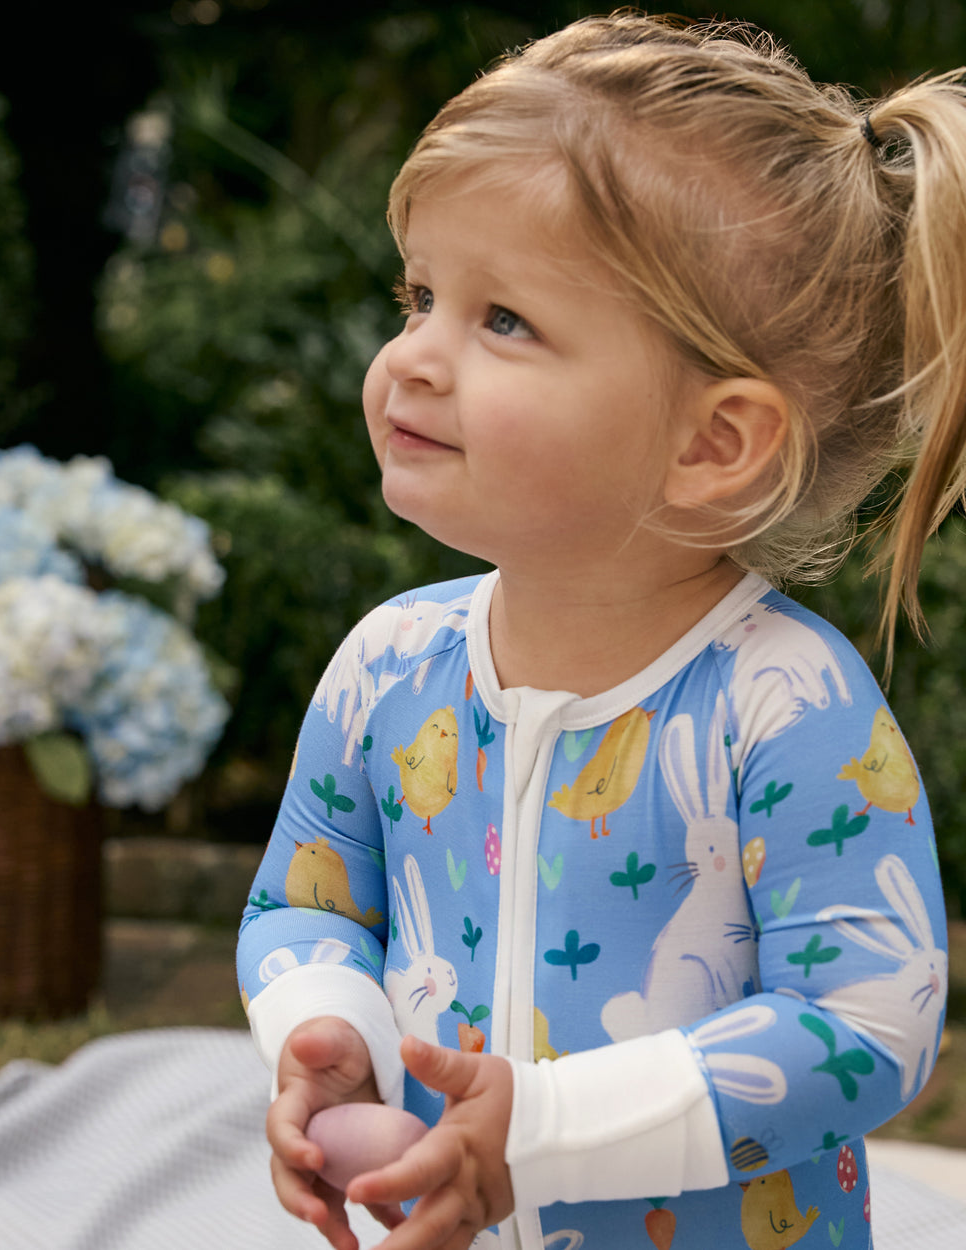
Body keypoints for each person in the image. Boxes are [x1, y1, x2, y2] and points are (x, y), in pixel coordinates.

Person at [237, 11, 963, 1250]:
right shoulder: (390, 666)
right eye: (418, 294)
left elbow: (866, 1020)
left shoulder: (783, 706)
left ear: (711, 443)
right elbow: (305, 905)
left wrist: (543, 1122)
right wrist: (329, 1032)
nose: (411, 356)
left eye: (502, 319)